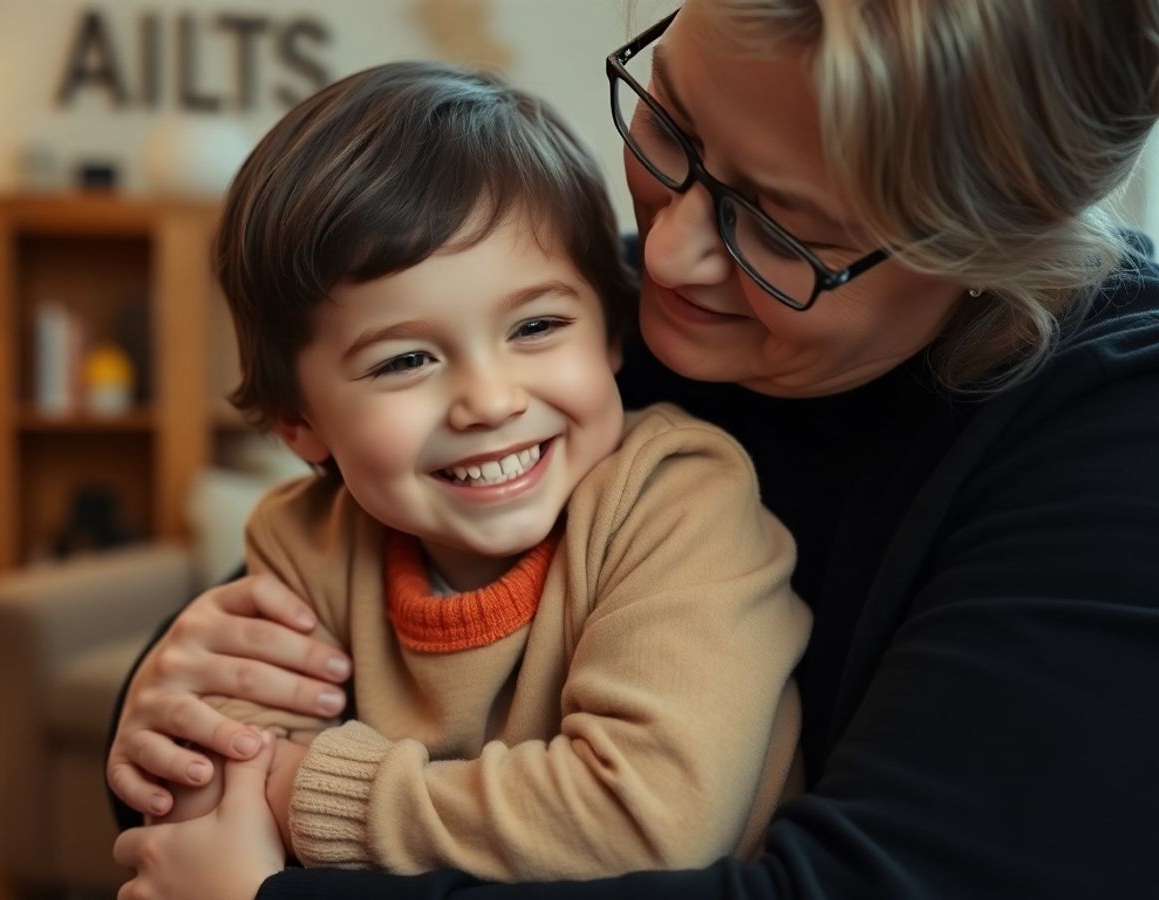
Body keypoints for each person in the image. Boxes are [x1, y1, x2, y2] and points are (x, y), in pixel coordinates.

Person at [111, 1, 1159, 898]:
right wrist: (163, 699)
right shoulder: (569, 334)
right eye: (671, 124)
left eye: (780, 227)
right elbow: (201, 753)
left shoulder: (1111, 441)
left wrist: (281, 847)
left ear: (990, 246)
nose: (660, 254)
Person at [135, 59, 810, 881]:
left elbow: (645, 819)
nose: (489, 400)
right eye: (406, 359)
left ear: (609, 337)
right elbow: (207, 795)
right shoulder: (301, 543)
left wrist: (303, 793)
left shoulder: (678, 499)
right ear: (301, 423)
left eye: (535, 326)